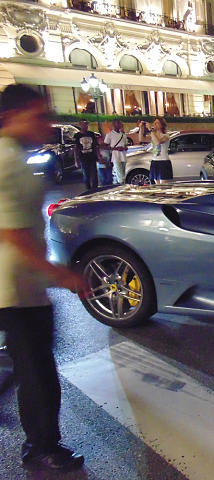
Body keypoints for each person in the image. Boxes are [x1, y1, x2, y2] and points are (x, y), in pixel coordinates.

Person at [0, 84, 86, 471]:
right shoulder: (9, 161)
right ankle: (42, 448)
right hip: (16, 288)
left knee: (25, 365)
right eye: (39, 115)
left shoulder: (12, 156)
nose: (48, 124)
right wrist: (60, 275)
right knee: (38, 375)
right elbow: (13, 231)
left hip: (18, 284)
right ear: (11, 117)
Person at [73, 120, 99, 190]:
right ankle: (88, 189)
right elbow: (76, 148)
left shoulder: (91, 134)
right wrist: (76, 160)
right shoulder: (77, 136)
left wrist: (98, 156)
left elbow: (95, 146)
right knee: (86, 175)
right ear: (81, 125)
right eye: (84, 125)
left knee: (94, 175)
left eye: (86, 125)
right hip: (83, 157)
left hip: (92, 157)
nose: (86, 126)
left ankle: (94, 189)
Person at [102, 119, 127, 185]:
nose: (119, 125)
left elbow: (126, 146)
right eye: (117, 123)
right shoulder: (110, 134)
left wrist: (123, 148)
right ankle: (121, 184)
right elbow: (105, 146)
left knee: (123, 172)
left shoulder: (123, 135)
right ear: (114, 125)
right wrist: (115, 148)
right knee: (119, 173)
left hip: (123, 156)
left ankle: (120, 183)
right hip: (115, 156)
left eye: (119, 123)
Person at [149, 117, 172, 184]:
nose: (155, 124)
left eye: (157, 123)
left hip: (163, 161)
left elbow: (158, 142)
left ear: (162, 125)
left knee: (163, 186)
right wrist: (141, 128)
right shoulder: (153, 135)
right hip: (155, 161)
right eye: (154, 123)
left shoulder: (166, 136)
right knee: (157, 185)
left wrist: (151, 130)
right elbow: (141, 139)